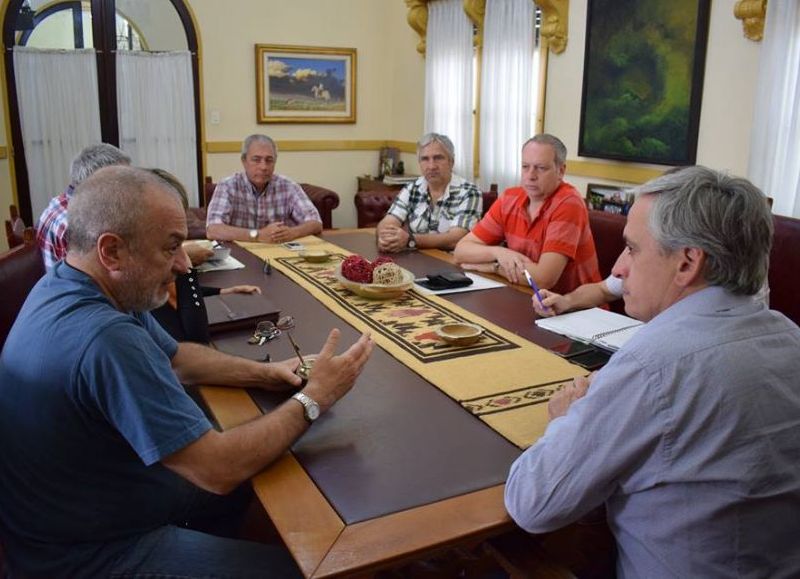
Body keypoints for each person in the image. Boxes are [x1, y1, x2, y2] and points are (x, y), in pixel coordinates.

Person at [0, 166, 374, 577]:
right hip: (84, 555)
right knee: (308, 568)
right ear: (112, 251)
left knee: (267, 475)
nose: (183, 264)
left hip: (94, 501)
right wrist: (314, 399)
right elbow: (216, 469)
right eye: (170, 247)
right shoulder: (105, 337)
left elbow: (177, 358)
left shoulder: (75, 282)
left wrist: (266, 373)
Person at [505, 166, 800, 578]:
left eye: (632, 249)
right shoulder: (791, 336)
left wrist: (566, 418)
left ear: (687, 264)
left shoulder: (653, 364)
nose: (620, 268)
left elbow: (532, 503)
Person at [453, 134, 601, 294]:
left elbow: (544, 279)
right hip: (525, 294)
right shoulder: (509, 198)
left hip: (576, 310)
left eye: (541, 168)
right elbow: (461, 251)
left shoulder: (568, 203)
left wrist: (494, 267)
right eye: (525, 167)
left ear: (561, 171)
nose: (531, 176)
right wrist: (498, 252)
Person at [148, 168, 260, 343]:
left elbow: (174, 291)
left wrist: (222, 291)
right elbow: (196, 339)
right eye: (173, 245)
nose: (262, 166)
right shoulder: (140, 292)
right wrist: (187, 270)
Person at [206, 134, 322, 243]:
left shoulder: (288, 186)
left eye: (269, 160)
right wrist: (258, 235)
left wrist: (292, 233)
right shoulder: (228, 186)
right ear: (244, 161)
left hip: (279, 251)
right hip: (239, 254)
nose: (263, 167)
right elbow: (213, 230)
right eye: (256, 160)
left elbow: (316, 222)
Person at [376, 133, 482, 252]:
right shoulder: (412, 188)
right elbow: (387, 222)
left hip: (451, 263)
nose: (431, 166)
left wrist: (411, 240)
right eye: (425, 159)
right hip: (417, 260)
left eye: (438, 158)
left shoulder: (469, 192)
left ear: (451, 161)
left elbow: (456, 239)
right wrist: (385, 237)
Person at [35, 142, 131, 270]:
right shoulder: (76, 225)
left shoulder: (61, 201)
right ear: (97, 183)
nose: (129, 188)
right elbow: (101, 275)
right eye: (123, 181)